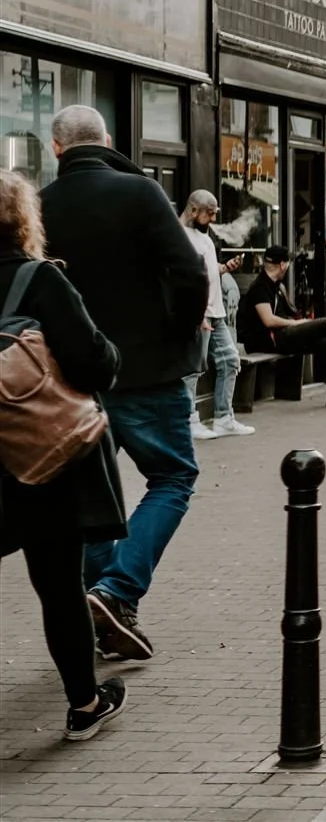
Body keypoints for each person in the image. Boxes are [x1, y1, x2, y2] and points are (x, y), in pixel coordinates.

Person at [38, 105, 210, 665]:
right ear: (107, 140)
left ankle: (105, 605)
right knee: (173, 477)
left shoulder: (41, 205)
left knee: (92, 499)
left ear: (57, 147)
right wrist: (177, 333)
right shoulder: (141, 193)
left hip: (73, 377)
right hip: (147, 371)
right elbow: (190, 272)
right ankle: (114, 592)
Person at [0, 169, 131, 739]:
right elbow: (95, 363)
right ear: (23, 220)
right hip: (42, 461)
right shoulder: (38, 280)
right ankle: (84, 704)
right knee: (58, 585)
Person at [242, 247, 326, 407]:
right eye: (288, 263)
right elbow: (269, 321)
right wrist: (297, 324)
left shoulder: (277, 286)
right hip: (266, 340)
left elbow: (289, 312)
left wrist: (302, 321)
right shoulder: (260, 287)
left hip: (280, 336)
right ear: (282, 265)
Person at [181, 190, 251, 440]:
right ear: (193, 210)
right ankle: (189, 421)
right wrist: (195, 312)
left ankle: (223, 418)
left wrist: (224, 268)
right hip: (200, 313)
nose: (212, 219)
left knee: (230, 361)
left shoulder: (204, 237)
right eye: (209, 213)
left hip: (215, 311)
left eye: (214, 213)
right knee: (193, 369)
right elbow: (183, 279)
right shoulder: (180, 236)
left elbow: (207, 271)